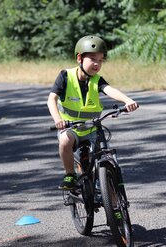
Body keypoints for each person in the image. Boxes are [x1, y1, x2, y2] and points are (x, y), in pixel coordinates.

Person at [47, 35, 138, 190]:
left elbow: (110, 90)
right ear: (79, 58)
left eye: (101, 60)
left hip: (93, 129)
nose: (97, 64)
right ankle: (70, 174)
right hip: (71, 128)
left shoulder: (97, 80)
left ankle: (112, 199)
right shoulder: (65, 76)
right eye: (93, 59)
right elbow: (51, 99)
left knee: (106, 159)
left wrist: (127, 100)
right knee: (64, 141)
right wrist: (58, 120)